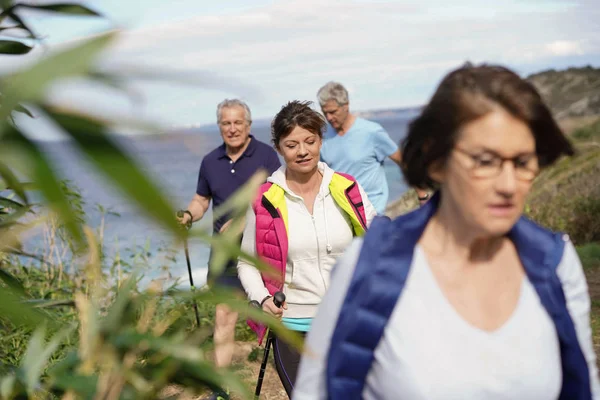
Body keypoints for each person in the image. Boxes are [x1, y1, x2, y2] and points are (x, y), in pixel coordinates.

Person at [294, 64, 600, 399]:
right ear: (436, 162)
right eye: (485, 161)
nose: (509, 185)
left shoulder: (554, 262)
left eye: (524, 162)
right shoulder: (367, 267)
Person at [237, 100, 376, 397]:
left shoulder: (347, 188)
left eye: (310, 141)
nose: (302, 151)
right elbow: (247, 262)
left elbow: (378, 242)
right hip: (292, 328)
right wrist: (262, 299)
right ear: (279, 148)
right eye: (292, 145)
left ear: (320, 140)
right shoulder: (266, 200)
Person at [178, 99, 280, 400]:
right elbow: (201, 200)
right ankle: (219, 389)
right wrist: (187, 215)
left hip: (262, 252)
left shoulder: (266, 156)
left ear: (248, 125)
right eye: (226, 123)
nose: (232, 128)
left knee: (275, 315)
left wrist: (243, 217)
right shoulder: (210, 161)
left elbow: (278, 199)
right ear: (219, 125)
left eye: (238, 122)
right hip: (224, 256)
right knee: (224, 317)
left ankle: (293, 375)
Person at [317, 81, 430, 212]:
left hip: (372, 211)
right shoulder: (324, 137)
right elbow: (321, 175)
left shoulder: (371, 131)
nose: (329, 117)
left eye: (333, 112)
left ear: (346, 105)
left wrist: (422, 195)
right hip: (342, 212)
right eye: (325, 113)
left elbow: (402, 160)